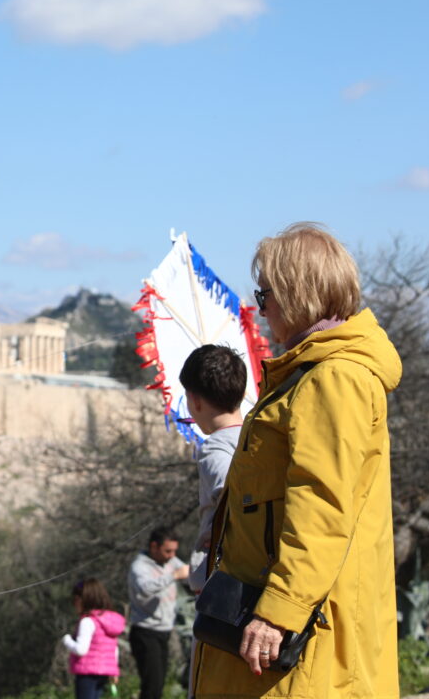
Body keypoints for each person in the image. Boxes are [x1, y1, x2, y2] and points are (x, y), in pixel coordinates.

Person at [191, 222, 402, 698]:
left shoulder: (335, 378)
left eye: (264, 296)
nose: (261, 310)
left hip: (301, 637)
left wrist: (278, 611)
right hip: (280, 628)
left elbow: (321, 504)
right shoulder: (311, 373)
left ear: (295, 292)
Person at [179, 344, 246, 594]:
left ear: (194, 401)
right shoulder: (257, 436)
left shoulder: (215, 448)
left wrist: (222, 533)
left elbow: (233, 493)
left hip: (219, 585)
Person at [127, 527, 189, 699]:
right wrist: (174, 575)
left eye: (174, 551)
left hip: (164, 631)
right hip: (145, 632)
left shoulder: (171, 561)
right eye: (167, 550)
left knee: (158, 685)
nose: (171, 555)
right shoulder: (139, 566)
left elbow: (188, 574)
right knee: (152, 687)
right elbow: (145, 588)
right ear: (154, 546)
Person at [62, 578, 126, 699]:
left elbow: (81, 649)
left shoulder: (87, 621)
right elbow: (114, 649)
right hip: (105, 673)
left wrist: (67, 640)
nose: (74, 603)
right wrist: (114, 670)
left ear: (85, 600)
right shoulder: (108, 621)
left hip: (87, 673)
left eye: (76, 599)